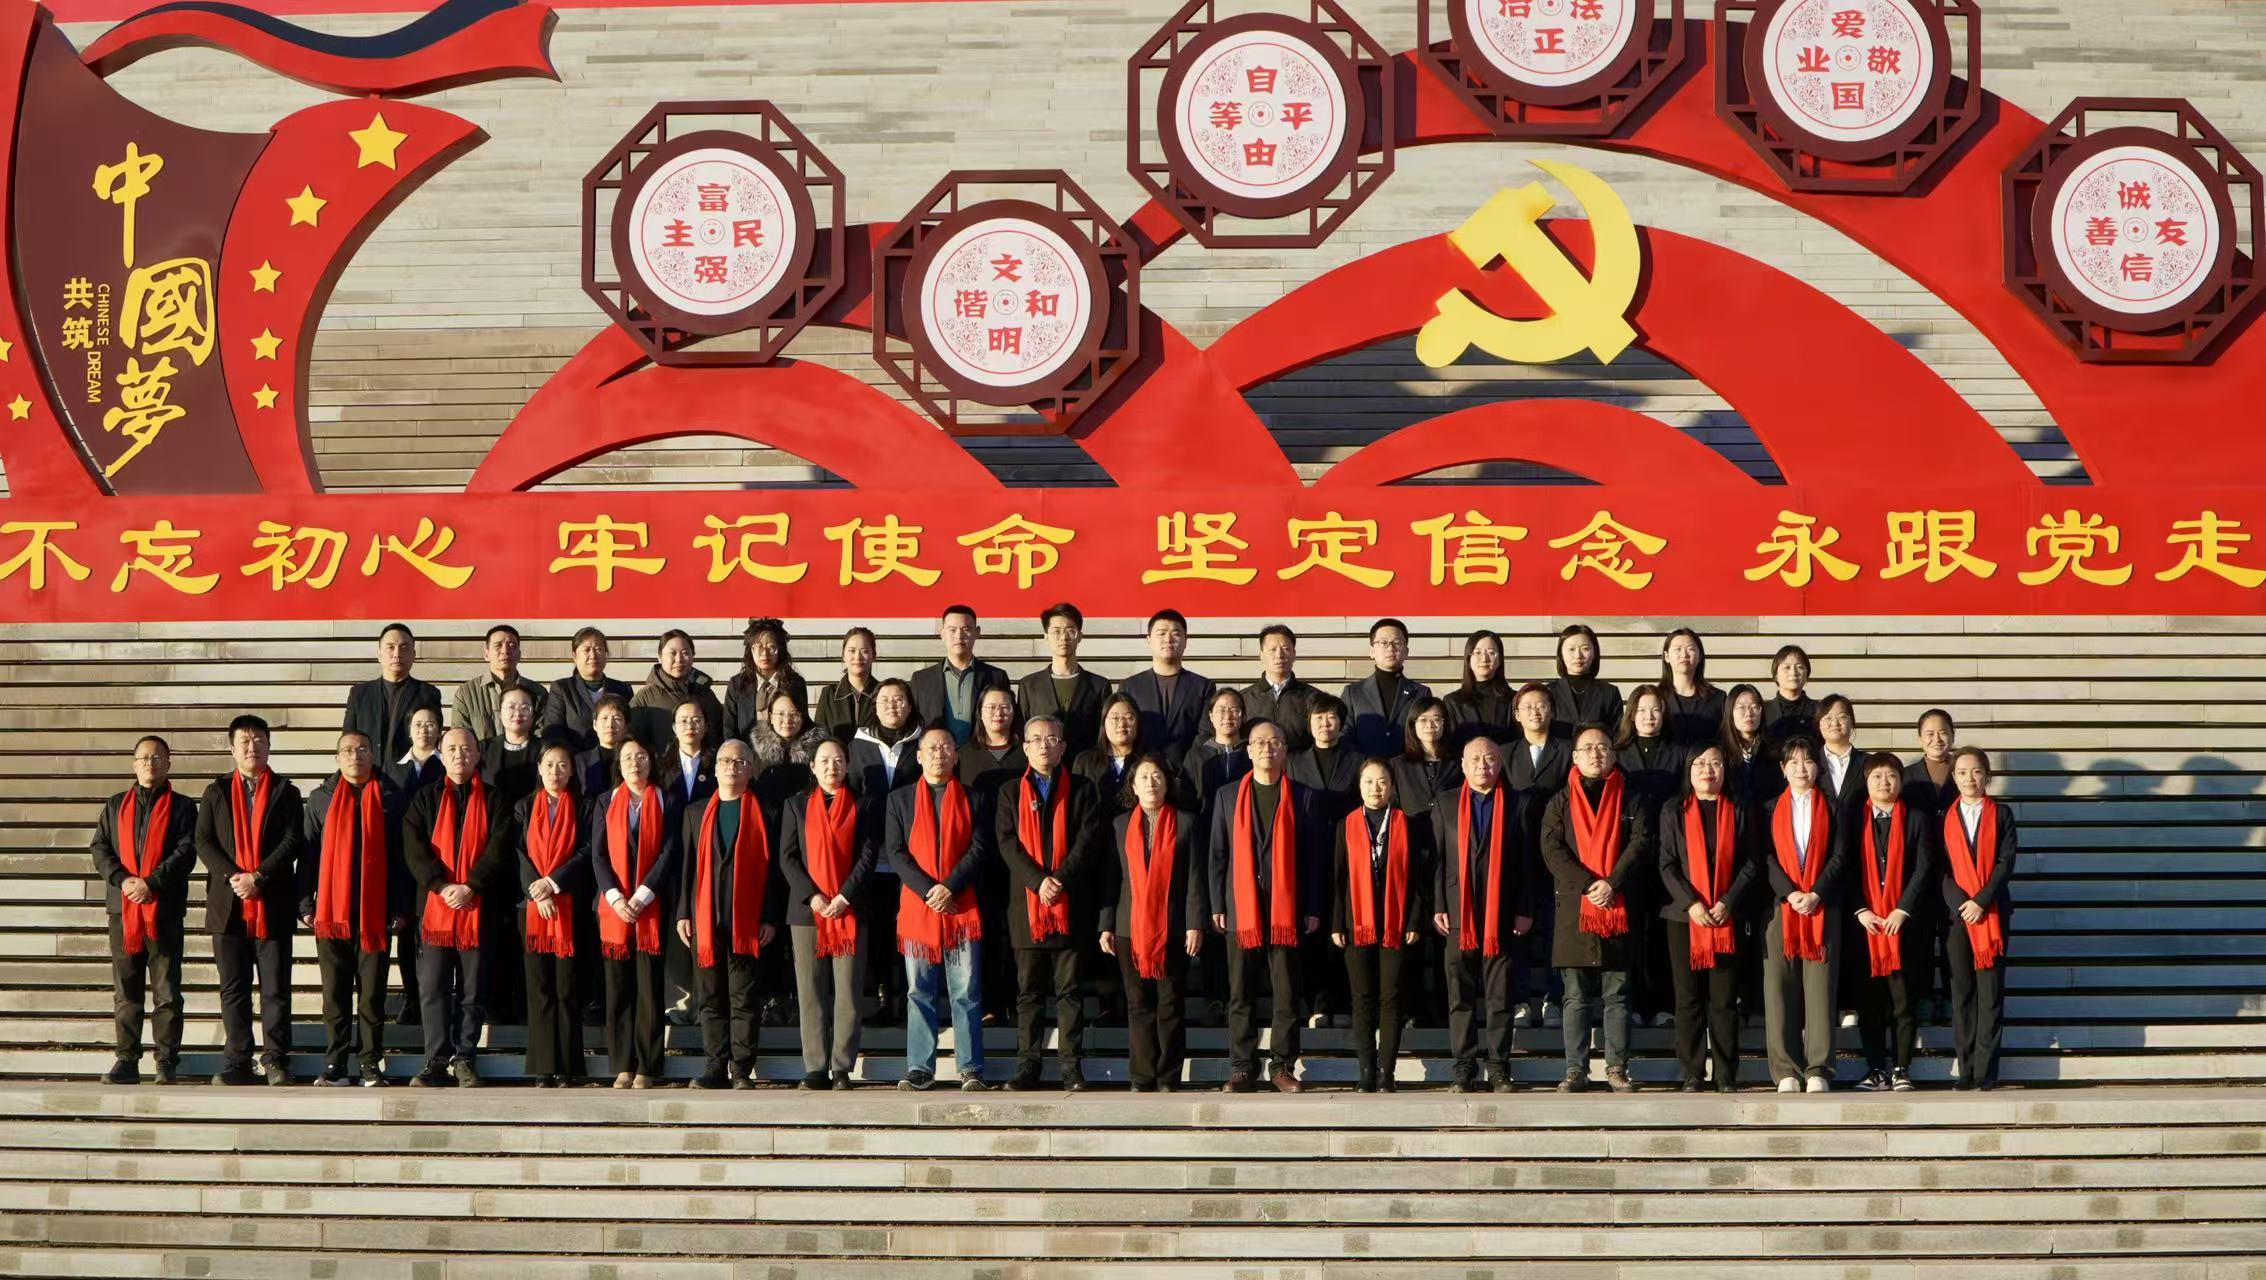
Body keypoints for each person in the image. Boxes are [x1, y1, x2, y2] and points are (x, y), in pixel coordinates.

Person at [1208, 719, 1325, 1093]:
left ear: (1285, 751)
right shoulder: (1227, 796)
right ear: (1248, 751)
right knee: (1240, 992)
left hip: (1286, 909)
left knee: (1286, 992)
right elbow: (1218, 854)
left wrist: (1312, 906)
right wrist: (1217, 902)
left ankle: (1282, 1066)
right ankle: (1243, 1067)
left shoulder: (1304, 796)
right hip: (1241, 907)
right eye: (1259, 743)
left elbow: (1313, 859)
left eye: (1275, 742)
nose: (1267, 749)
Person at [1540, 725, 1652, 1093]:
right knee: (1575, 996)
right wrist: (1589, 884)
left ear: (1614, 755)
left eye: (1602, 747)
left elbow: (1640, 843)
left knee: (1617, 994)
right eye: (1587, 748)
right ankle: (1576, 1070)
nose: (1595, 753)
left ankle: (1617, 1068)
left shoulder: (1630, 798)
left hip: (1618, 904)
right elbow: (1552, 849)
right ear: (1574, 757)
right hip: (1576, 906)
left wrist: (1612, 883)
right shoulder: (1560, 801)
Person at [195, 714, 304, 1086]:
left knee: (275, 988)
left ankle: (275, 1059)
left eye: (259, 740)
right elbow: (204, 841)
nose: (252, 747)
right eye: (244, 741)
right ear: (232, 748)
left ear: (269, 745)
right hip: (228, 905)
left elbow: (292, 840)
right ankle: (238, 1060)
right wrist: (235, 877)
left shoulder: (287, 792)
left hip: (273, 901)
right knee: (234, 988)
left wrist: (258, 876)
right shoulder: (216, 791)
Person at [995, 714, 1102, 1091]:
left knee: (1069, 991)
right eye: (1037, 739)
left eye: (1052, 739)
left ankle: (1071, 1066)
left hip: (1070, 903)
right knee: (1029, 992)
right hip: (1027, 906)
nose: (1044, 745)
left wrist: (1059, 881)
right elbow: (1007, 843)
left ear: (1063, 747)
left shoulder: (1083, 788)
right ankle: (1028, 1065)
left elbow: (1087, 840)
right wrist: (1039, 881)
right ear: (1024, 747)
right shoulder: (1010, 791)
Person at [300, 731, 408, 1086]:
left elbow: (402, 858)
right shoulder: (321, 799)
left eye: (362, 749)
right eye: (347, 750)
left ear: (373, 754)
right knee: (334, 994)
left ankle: (370, 1062)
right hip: (332, 912)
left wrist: (400, 907)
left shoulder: (391, 796)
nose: (355, 755)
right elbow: (308, 855)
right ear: (337, 757)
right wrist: (305, 904)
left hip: (376, 912)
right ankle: (335, 1063)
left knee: (372, 994)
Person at [89, 735, 198, 1085]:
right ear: (134, 764)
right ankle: (127, 1059)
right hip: (124, 911)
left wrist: (151, 882)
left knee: (167, 991)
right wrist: (124, 881)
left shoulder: (183, 807)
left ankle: (166, 1059)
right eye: (144, 758)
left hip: (163, 910)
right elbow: (100, 848)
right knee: (127, 990)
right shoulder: (115, 805)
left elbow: (185, 851)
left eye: (157, 757)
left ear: (168, 764)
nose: (151, 763)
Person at [887, 727, 991, 1091]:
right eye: (931, 748)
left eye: (946, 747)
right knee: (919, 991)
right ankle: (920, 1068)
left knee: (966, 992)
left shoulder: (974, 798)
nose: (939, 753)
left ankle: (971, 1068)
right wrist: (929, 890)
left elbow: (979, 848)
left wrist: (950, 887)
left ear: (956, 756)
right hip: (918, 908)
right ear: (918, 756)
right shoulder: (899, 800)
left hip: (961, 907)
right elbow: (896, 852)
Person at [675, 740, 782, 1089]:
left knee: (743, 996)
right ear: (715, 768)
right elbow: (686, 869)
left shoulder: (767, 813)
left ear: (751, 769)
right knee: (709, 996)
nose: (731, 767)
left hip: (746, 921)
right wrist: (683, 913)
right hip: (704, 919)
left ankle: (741, 1069)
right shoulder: (696, 812)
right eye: (724, 761)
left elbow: (774, 872)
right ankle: (714, 1065)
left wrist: (769, 917)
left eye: (739, 762)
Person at [402, 728, 506, 1088]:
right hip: (435, 908)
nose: (459, 754)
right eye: (452, 749)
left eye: (466, 748)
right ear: (441, 755)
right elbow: (414, 849)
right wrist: (442, 886)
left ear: (477, 754)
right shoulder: (423, 799)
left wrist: (471, 885)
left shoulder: (495, 799)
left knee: (472, 990)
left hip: (478, 906)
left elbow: (498, 847)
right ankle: (435, 1060)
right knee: (432, 987)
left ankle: (464, 1057)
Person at [1432, 736, 1533, 1092]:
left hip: (1501, 914)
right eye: (1474, 759)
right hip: (1458, 913)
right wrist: (1439, 904)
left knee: (1500, 995)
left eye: (1489, 758)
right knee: (1459, 995)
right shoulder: (1445, 803)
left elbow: (1526, 863)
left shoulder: (1518, 803)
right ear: (1462, 765)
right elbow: (1439, 860)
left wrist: (1524, 908)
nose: (1482, 765)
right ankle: (1464, 1065)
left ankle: (1499, 1066)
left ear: (1500, 763)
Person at [1657, 743, 1758, 1092]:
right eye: (1699, 764)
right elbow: (1666, 863)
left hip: (1726, 916)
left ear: (1725, 770)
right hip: (1684, 918)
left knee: (1724, 1000)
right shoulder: (1673, 810)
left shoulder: (1739, 809)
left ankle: (1726, 1074)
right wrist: (1692, 904)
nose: (1707, 770)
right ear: (1689, 770)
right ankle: (1693, 1072)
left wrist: (1728, 901)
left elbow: (1751, 862)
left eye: (1715, 763)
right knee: (1688, 999)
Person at [1102, 754, 1204, 1092]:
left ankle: (1168, 1075)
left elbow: (1195, 878)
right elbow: (1112, 878)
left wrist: (1195, 923)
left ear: (1167, 782)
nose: (1150, 782)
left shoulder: (1186, 822)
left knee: (1170, 1003)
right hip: (1128, 927)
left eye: (1157, 775)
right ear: (1132, 786)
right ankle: (1142, 1075)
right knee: (1137, 1004)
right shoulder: (1119, 825)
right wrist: (1106, 924)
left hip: (1172, 927)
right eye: (1143, 777)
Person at [778, 739, 876, 1089]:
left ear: (847, 765)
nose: (831, 767)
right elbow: (787, 857)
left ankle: (842, 1067)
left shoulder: (863, 804)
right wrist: (813, 896)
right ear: (812, 766)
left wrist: (845, 896)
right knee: (810, 990)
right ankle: (815, 1067)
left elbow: (867, 855)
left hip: (849, 908)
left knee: (848, 990)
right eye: (824, 761)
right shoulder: (796, 805)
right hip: (808, 911)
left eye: (838, 760)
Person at [1332, 759, 1426, 1092]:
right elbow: (1338, 878)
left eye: (1383, 781)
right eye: (1369, 781)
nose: (1376, 788)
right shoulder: (1346, 825)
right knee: (1362, 998)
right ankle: (1366, 1071)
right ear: (1359, 787)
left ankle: (1387, 1072)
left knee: (1392, 996)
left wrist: (1414, 919)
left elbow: (1417, 879)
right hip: (1357, 922)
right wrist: (1337, 923)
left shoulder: (1406, 824)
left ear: (1392, 787)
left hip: (1395, 921)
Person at [1763, 737, 1848, 1093]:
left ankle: (1819, 1069)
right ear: (1783, 769)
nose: (1801, 768)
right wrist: (1791, 892)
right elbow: (1765, 857)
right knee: (1778, 989)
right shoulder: (1768, 808)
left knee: (1820, 990)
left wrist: (1815, 893)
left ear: (1819, 767)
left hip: (1822, 906)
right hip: (1781, 907)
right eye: (1793, 762)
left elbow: (1840, 856)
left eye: (1808, 761)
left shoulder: (1834, 807)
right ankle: (1785, 1069)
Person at [591, 737, 676, 1088]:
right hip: (614, 909)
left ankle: (648, 1066)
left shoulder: (666, 800)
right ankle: (623, 1064)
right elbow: (598, 855)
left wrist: (642, 896)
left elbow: (669, 851)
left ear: (651, 762)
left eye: (641, 756)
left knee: (649, 990)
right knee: (618, 989)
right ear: (619, 764)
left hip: (651, 907)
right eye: (627, 757)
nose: (634, 763)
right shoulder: (606, 801)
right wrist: (615, 898)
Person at [1851, 752, 1931, 1093]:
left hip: (1903, 925)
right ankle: (1874, 1068)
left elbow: (1923, 867)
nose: (1885, 783)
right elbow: (1845, 866)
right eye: (1877, 776)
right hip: (1866, 926)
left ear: (1900, 780)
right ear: (1866, 782)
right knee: (1869, 1003)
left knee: (1903, 1001)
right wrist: (1861, 910)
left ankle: (1901, 1067)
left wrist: (1902, 909)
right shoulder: (1853, 818)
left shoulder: (1916, 818)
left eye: (1891, 776)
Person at [513, 742, 589, 1087]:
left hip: (569, 906)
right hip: (533, 910)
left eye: (562, 765)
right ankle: (544, 1067)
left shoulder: (585, 807)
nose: (555, 771)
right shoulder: (524, 807)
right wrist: (536, 891)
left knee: (567, 989)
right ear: (539, 769)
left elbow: (586, 852)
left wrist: (553, 883)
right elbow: (517, 853)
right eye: (549, 765)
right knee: (539, 989)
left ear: (571, 771)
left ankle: (567, 1067)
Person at [1942, 746, 2016, 1091]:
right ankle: (1967, 1068)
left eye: (1976, 771)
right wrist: (1963, 904)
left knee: (1990, 993)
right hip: (1958, 917)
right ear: (1953, 777)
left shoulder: (2002, 814)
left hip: (1992, 913)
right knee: (1963, 993)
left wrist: (1981, 901)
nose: (1969, 778)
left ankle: (1987, 1070)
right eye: (1961, 772)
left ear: (1987, 775)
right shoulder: (1944, 817)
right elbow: (1939, 867)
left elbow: (2005, 862)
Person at [849, 679, 921, 1026]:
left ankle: (909, 999)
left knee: (909, 932)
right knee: (878, 933)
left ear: (910, 704)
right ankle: (882, 999)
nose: (893, 705)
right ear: (874, 706)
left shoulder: (922, 743)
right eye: (885, 700)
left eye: (899, 699)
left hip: (912, 857)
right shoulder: (858, 746)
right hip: (871, 858)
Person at [1289, 694, 1363, 1029]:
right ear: (1309, 723)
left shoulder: (1357, 760)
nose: (1325, 724)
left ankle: (1344, 1003)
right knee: (1312, 932)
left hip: (1349, 854)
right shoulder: (1294, 761)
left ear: (1342, 723)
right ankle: (1317, 1003)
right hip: (1307, 856)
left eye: (1331, 717)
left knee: (1344, 929)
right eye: (1318, 718)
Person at [1614, 686, 1681, 1030]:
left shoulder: (1679, 753)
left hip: (1670, 855)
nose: (1649, 717)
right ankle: (1635, 1004)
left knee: (1662, 934)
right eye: (1641, 710)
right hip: (1630, 856)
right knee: (1633, 933)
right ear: (1631, 715)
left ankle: (1664, 1005)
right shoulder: (1618, 754)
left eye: (1655, 710)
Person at [1504, 681, 1567, 1028]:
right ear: (1516, 714)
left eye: (1541, 705)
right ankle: (1520, 999)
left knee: (1558, 929)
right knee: (1519, 929)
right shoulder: (1504, 754)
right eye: (1527, 706)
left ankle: (1554, 999)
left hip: (1559, 851)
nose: (1535, 712)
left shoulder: (1567, 750)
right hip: (1518, 853)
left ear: (1552, 711)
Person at [655, 699, 715, 1027]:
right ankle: (678, 1004)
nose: (690, 725)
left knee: (703, 931)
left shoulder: (717, 763)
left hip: (708, 860)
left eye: (696, 719)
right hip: (669, 859)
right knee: (674, 932)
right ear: (674, 727)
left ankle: (705, 1005)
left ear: (705, 725)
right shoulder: (660, 766)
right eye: (683, 720)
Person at [1902, 708, 1960, 1023]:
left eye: (1943, 732)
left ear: (1952, 735)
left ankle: (1953, 996)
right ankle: (1922, 995)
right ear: (1919, 738)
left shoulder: (1963, 770)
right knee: (1919, 936)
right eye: (1929, 733)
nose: (1937, 739)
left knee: (1953, 936)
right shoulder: (1907, 776)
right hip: (1918, 868)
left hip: (1957, 871)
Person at [1120, 609, 1215, 762]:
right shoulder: (1130, 687)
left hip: (1189, 771)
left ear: (1185, 641)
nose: (1168, 639)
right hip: (1142, 771)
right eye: (1161, 633)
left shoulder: (1203, 687)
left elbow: (1204, 735)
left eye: (1175, 634)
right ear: (1148, 640)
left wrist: (1188, 767)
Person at [343, 623, 442, 769]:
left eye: (404, 647)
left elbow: (432, 742)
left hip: (411, 775)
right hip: (368, 775)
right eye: (390, 647)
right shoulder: (359, 694)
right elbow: (348, 739)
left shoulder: (428, 694)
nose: (397, 654)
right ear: (379, 655)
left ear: (413, 655)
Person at [1017, 602, 1111, 752]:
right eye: (1056, 631)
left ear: (1080, 636)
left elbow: (1104, 734)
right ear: (1046, 636)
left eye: (1070, 631)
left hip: (1085, 763)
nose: (1063, 637)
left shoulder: (1099, 685)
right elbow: (1022, 731)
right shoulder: (1029, 685)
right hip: (1043, 762)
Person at [911, 605, 1010, 743]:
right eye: (952, 630)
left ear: (977, 632)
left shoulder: (996, 677)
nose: (959, 636)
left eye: (966, 629)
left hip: (981, 753)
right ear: (942, 633)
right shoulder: (921, 679)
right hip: (938, 754)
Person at [1341, 618, 1432, 759]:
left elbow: (1428, 739)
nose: (1390, 648)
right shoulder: (1353, 693)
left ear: (1406, 651)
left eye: (1397, 643)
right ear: (1372, 651)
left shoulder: (1421, 693)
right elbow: (1344, 736)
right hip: (1366, 770)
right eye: (1383, 643)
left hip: (1408, 769)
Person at [538, 626, 634, 751]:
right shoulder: (562, 689)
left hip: (615, 759)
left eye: (598, 649)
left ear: (606, 654)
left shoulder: (623, 689)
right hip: (576, 760)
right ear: (574, 656)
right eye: (586, 650)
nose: (593, 655)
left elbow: (631, 731)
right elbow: (553, 734)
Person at [631, 629, 724, 754]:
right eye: (672, 653)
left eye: (685, 653)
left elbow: (721, 732)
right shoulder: (645, 698)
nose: (679, 659)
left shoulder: (705, 693)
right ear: (659, 657)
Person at [452, 623, 548, 742]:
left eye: (512, 646)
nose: (505, 651)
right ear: (486, 654)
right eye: (498, 645)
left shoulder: (538, 692)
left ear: (519, 655)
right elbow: (460, 738)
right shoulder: (466, 693)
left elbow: (541, 736)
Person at [723, 617, 809, 747]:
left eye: (771, 647)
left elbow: (803, 723)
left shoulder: (796, 683)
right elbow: (729, 729)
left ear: (780, 649)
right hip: (747, 754)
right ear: (751, 650)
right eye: (759, 647)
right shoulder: (737, 684)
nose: (765, 654)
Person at [1241, 624, 1320, 754]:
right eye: (1272, 650)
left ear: (1294, 654)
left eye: (1285, 649)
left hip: (1298, 766)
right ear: (1261, 655)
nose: (1279, 655)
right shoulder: (1244, 699)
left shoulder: (1313, 697)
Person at [1179, 687, 1250, 821]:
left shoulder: (1252, 752)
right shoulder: (1196, 755)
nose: (1227, 716)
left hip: (1243, 823)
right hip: (1205, 825)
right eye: (1221, 710)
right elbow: (1187, 798)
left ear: (1243, 716)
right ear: (1211, 716)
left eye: (1234, 710)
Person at [1443, 629, 1513, 753]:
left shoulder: (1514, 699)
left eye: (1491, 653)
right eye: (1478, 652)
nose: (1484, 658)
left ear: (1500, 660)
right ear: (1468, 658)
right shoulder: (1452, 702)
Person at [1547, 624, 1621, 740]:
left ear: (1595, 653)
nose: (1578, 655)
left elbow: (1617, 736)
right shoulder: (1548, 692)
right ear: (1561, 654)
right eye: (1571, 649)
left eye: (1585, 649)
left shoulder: (1609, 692)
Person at [1390, 697, 1462, 816]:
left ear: (1445, 723)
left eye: (1436, 719)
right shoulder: (1398, 765)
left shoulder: (1458, 763)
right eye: (1423, 720)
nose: (1430, 725)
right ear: (1413, 724)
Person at [1072, 692, 1150, 797]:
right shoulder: (1084, 762)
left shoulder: (1149, 761)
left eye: (1129, 718)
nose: (1122, 724)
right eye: (1115, 718)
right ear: (1103, 723)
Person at [478, 685, 543, 811]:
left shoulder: (545, 750)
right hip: (491, 818)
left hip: (533, 817)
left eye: (525, 708)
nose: (517, 713)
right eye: (511, 707)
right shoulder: (483, 749)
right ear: (500, 714)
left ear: (533, 715)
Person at [1659, 628, 1726, 748]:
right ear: (1667, 656)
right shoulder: (1657, 697)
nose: (1684, 655)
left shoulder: (1718, 698)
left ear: (1700, 656)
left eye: (1691, 649)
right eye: (1678, 649)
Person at [813, 627, 881, 744]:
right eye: (852, 651)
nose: (858, 657)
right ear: (843, 655)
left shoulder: (883, 694)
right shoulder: (829, 695)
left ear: (874, 656)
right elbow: (818, 739)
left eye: (864, 651)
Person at [1722, 683, 1781, 811]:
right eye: (1741, 707)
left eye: (1754, 707)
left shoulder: (1775, 750)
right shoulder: (1720, 751)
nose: (1748, 713)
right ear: (1730, 712)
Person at [753, 688, 833, 773]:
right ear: (771, 717)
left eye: (794, 714)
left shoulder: (820, 749)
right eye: (780, 714)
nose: (787, 720)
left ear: (802, 717)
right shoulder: (755, 751)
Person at [1761, 644, 1820, 747]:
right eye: (1787, 667)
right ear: (1776, 675)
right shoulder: (1763, 711)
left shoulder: (1819, 710)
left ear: (1807, 674)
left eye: (1799, 667)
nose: (1793, 673)